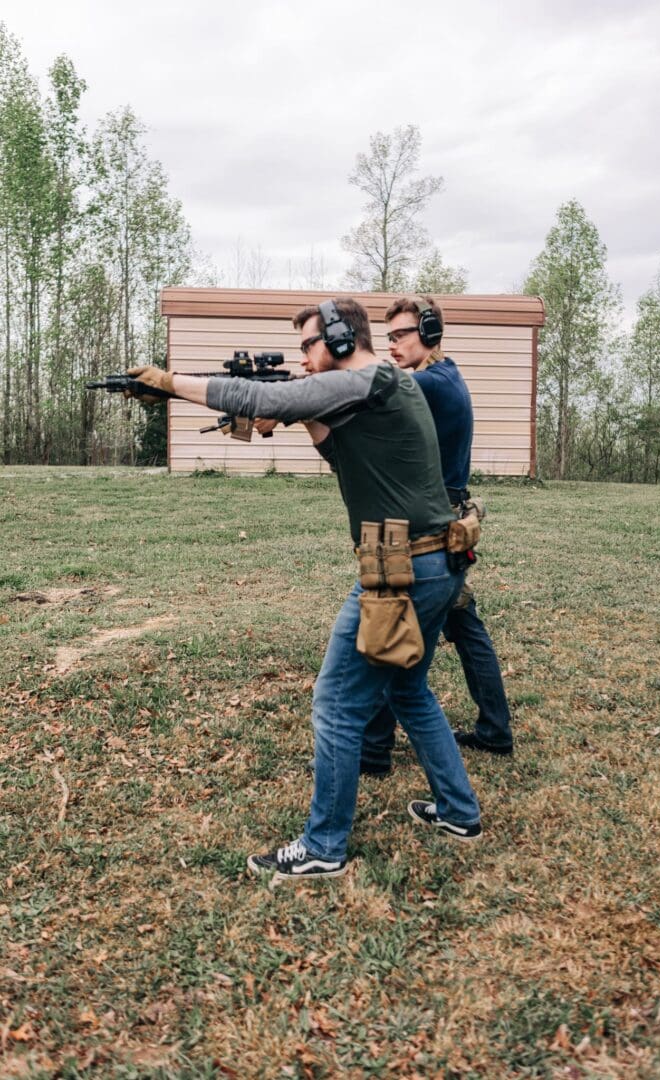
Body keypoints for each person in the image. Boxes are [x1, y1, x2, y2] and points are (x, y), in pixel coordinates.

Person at [126, 297, 482, 883]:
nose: (305, 359)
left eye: (311, 346)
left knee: (337, 703)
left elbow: (261, 398)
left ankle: (324, 846)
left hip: (400, 564)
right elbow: (342, 455)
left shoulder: (367, 377)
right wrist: (300, 416)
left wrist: (169, 383)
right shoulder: (389, 384)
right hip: (431, 558)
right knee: (409, 692)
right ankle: (459, 812)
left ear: (343, 341)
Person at [360, 296, 514, 777]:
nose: (393, 345)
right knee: (460, 627)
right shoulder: (441, 378)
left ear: (429, 332)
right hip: (443, 522)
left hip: (430, 529)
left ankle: (373, 749)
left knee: (395, 623)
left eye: (401, 335)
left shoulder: (431, 382)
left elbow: (380, 389)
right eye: (388, 337)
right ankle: (493, 730)